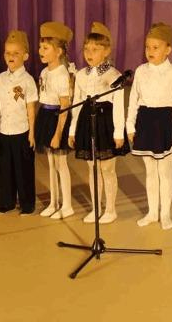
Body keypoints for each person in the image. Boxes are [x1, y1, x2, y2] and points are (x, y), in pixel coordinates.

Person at [67, 22, 128, 224]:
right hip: (87, 119)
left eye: (95, 49)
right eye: (86, 49)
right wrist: (73, 130)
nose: (89, 53)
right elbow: (76, 103)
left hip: (105, 122)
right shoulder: (80, 75)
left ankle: (110, 209)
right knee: (92, 168)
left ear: (107, 51)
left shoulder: (114, 75)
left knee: (107, 168)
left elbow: (118, 106)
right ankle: (96, 208)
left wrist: (118, 132)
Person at [126, 22, 172, 229]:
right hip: (145, 121)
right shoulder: (140, 71)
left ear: (168, 49)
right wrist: (130, 126)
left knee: (164, 171)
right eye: (147, 47)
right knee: (150, 171)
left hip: (165, 122)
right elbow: (133, 99)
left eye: (155, 47)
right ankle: (152, 212)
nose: (150, 51)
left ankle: (165, 214)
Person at [0, 30, 38, 215]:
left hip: (21, 131)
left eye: (16, 53)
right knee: (5, 169)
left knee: (23, 169)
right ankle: (6, 202)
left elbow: (31, 108)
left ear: (25, 56)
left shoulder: (28, 80)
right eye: (8, 53)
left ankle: (27, 204)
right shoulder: (0, 79)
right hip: (4, 130)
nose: (11, 56)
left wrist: (32, 133)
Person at [33, 21, 75, 219]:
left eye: (46, 48)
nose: (40, 51)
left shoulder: (61, 74)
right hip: (46, 115)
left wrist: (58, 134)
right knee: (51, 164)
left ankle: (67, 205)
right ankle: (54, 202)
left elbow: (64, 106)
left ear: (58, 52)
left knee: (61, 164)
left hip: (58, 119)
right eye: (40, 47)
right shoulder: (44, 72)